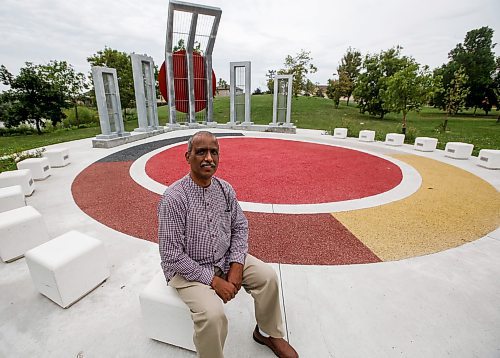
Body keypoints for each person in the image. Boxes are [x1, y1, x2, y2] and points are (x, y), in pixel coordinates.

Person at [158, 131, 299, 358]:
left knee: (267, 277)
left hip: (224, 258)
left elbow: (240, 227)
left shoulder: (225, 189)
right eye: (201, 152)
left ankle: (266, 332)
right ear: (188, 156)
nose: (209, 158)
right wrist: (214, 280)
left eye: (214, 152)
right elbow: (171, 255)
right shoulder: (174, 198)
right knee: (213, 316)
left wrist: (236, 265)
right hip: (188, 270)